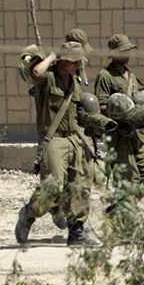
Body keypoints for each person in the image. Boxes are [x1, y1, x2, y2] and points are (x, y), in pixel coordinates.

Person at [15, 42, 114, 246]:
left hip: (75, 138)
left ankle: (76, 232)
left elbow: (78, 113)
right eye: (75, 61)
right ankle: (29, 214)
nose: (79, 65)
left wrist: (101, 122)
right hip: (54, 140)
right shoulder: (48, 79)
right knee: (52, 188)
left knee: (79, 186)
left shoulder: (74, 80)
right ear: (63, 60)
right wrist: (52, 56)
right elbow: (35, 71)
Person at [94, 34, 144, 187]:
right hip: (119, 137)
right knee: (128, 181)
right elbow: (101, 107)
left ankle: (118, 208)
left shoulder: (131, 76)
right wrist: (121, 113)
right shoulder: (106, 76)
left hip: (137, 136)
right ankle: (119, 209)